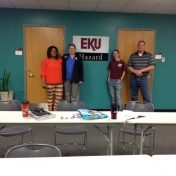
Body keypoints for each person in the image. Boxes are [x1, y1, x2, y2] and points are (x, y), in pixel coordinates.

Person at [40, 46, 63, 111]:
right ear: (49, 52)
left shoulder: (60, 60)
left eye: (55, 51)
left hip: (60, 83)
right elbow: (43, 73)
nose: (54, 52)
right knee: (50, 99)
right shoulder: (45, 60)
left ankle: (55, 112)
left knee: (58, 99)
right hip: (49, 84)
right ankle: (50, 112)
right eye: (52, 51)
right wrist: (43, 82)